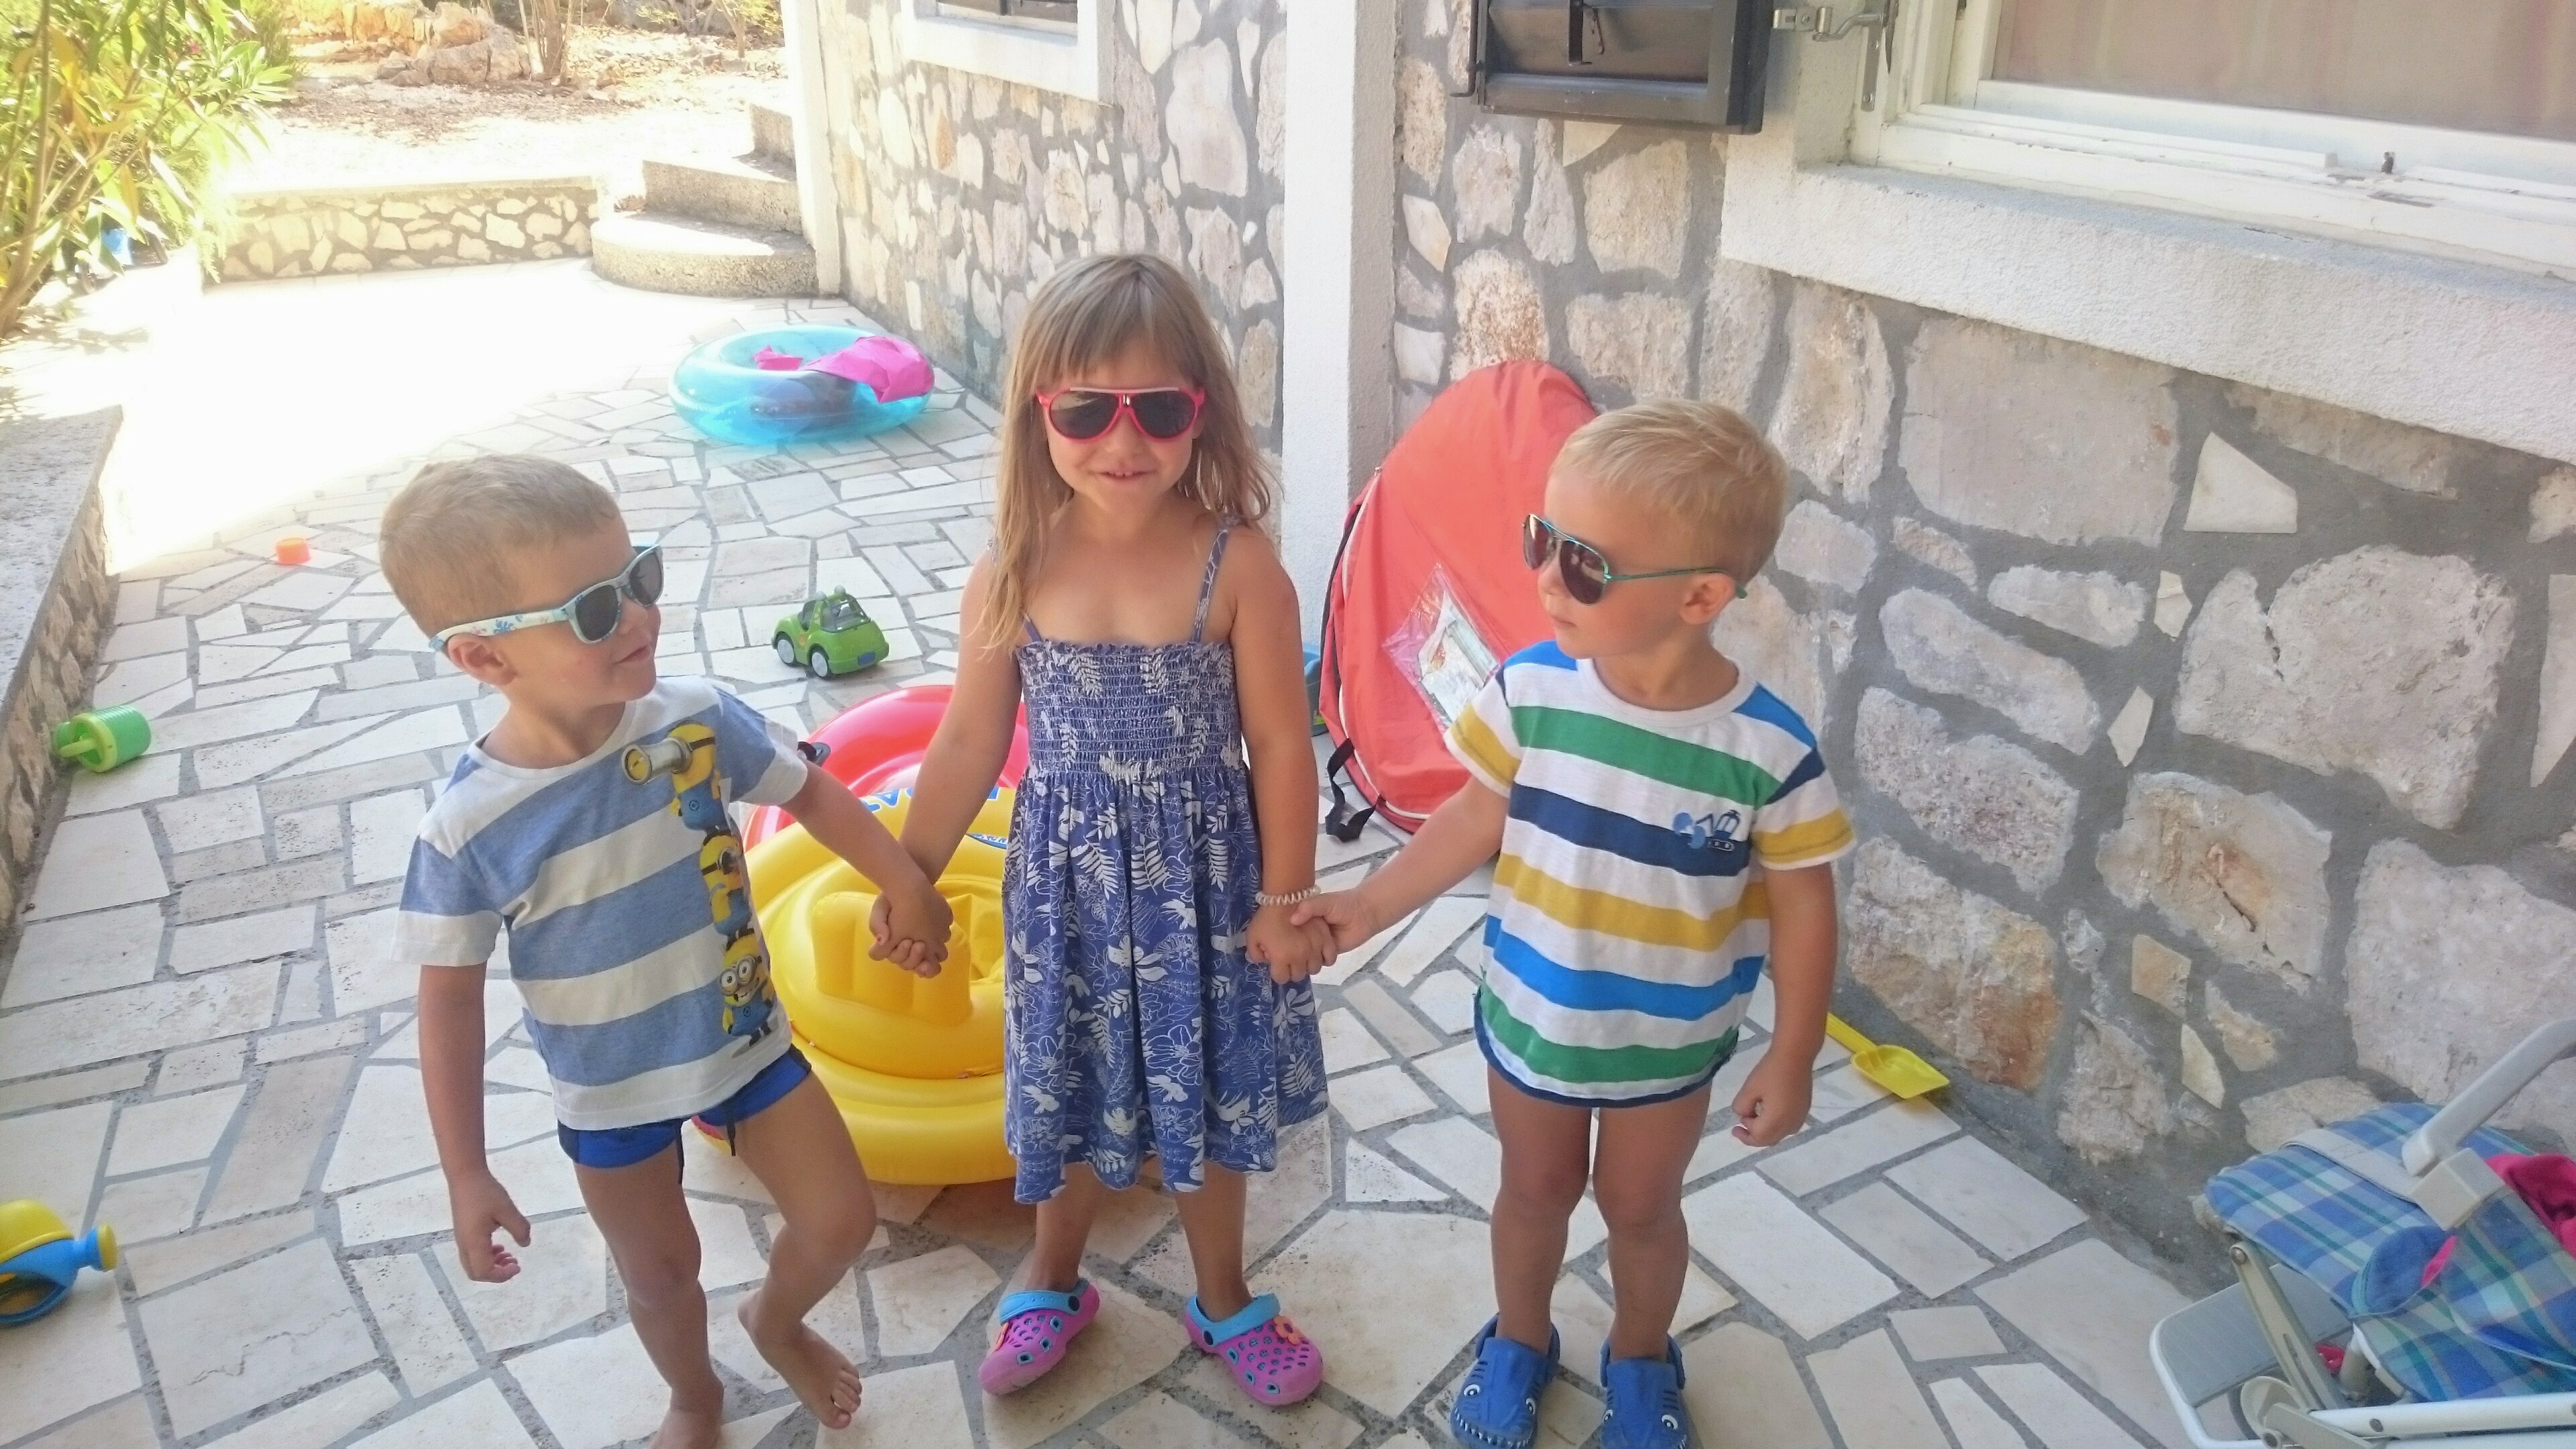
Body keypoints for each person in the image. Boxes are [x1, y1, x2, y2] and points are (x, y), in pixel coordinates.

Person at [1296, 401, 1852, 1449]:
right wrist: (1368, 905)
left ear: (1700, 597)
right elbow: (1472, 818)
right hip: (1535, 1015)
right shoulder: (1531, 691)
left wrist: (1796, 1052)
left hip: (1667, 1044)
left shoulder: (1767, 752)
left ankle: (1640, 1358)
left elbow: (1804, 904)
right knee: (1533, 1189)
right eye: (1541, 541)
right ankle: (1519, 1338)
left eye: (1586, 564)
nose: (1548, 578)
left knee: (1642, 1210)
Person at [381, 455, 954, 1448]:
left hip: (746, 1040)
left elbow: (810, 793)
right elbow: (450, 1006)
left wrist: (903, 880)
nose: (641, 616)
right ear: (484, 658)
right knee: (659, 1274)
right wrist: (466, 1172)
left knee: (840, 1220)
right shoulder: (469, 830)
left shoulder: (696, 721)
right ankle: (693, 1395)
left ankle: (775, 1321)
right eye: (596, 610)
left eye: (638, 577)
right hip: (610, 1091)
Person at [874, 253, 1336, 1407]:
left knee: (1209, 1089)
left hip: (1206, 888)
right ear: (1039, 413)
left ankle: (1222, 1294)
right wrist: (909, 874)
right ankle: (1052, 1277)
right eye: (1085, 410)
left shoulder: (1240, 563)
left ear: (1202, 413)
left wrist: (1286, 903)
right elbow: (967, 741)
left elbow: (1282, 746)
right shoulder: (1015, 566)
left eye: (1158, 409)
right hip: (1068, 888)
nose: (1121, 440)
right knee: (1068, 1082)